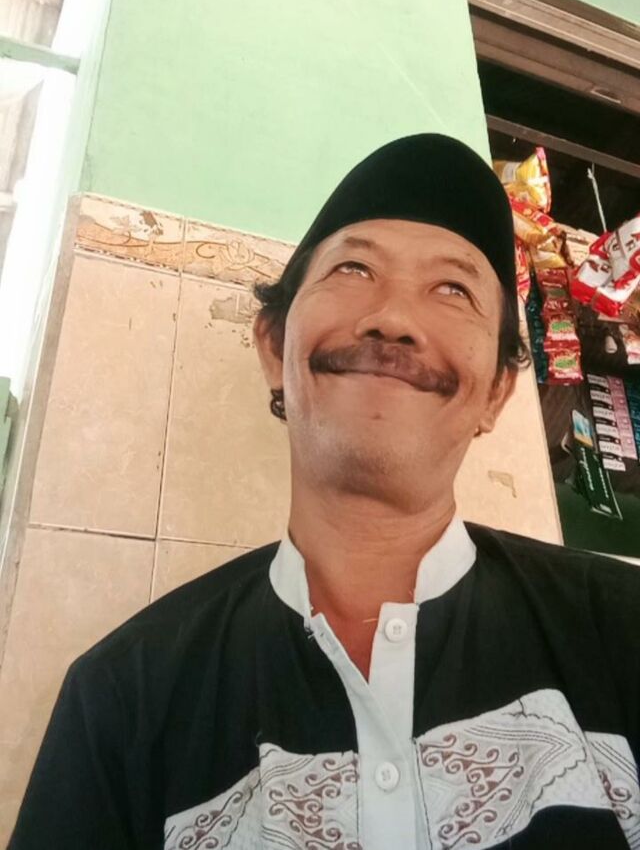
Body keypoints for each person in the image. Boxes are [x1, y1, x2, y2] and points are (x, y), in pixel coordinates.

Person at [9, 134, 640, 850]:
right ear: (273, 346)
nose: (393, 318)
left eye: (453, 289)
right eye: (353, 268)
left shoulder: (622, 630)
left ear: (497, 391)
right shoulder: (122, 701)